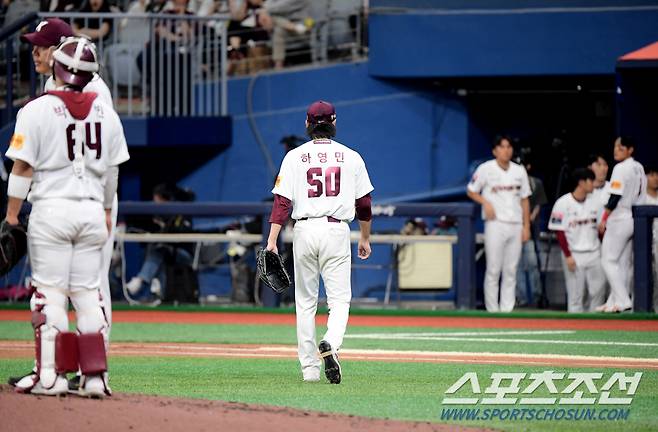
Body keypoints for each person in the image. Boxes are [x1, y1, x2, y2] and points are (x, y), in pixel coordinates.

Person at [5, 36, 130, 396]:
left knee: (50, 295)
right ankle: (94, 377)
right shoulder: (107, 113)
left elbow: (22, 167)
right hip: (92, 210)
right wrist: (106, 211)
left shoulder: (36, 110)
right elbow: (112, 172)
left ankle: (51, 376)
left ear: (58, 67)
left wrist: (11, 215)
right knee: (88, 295)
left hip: (52, 210)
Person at [265, 100, 373, 384]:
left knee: (305, 303)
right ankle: (331, 343)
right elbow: (364, 203)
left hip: (304, 230)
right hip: (336, 230)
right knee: (339, 300)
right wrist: (364, 237)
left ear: (307, 124)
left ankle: (310, 371)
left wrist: (272, 241)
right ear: (334, 122)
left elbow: (282, 203)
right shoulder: (351, 157)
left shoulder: (294, 156)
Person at [467, 136, 531, 312]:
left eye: (509, 146)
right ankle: (492, 310)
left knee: (511, 269)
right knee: (494, 269)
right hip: (495, 224)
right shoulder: (486, 169)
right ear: (495, 150)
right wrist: (485, 202)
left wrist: (526, 227)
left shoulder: (519, 171)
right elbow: (471, 190)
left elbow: (525, 199)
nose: (506, 150)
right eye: (502, 147)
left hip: (516, 224)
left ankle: (507, 309)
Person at [598, 136, 647, 313]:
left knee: (608, 260)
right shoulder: (639, 167)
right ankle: (613, 302)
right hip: (635, 217)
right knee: (622, 263)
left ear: (630, 149)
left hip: (620, 217)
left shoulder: (620, 167)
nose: (616, 150)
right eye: (615, 147)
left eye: (620, 147)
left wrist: (604, 218)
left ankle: (624, 300)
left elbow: (615, 196)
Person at [125, 183, 195, 305]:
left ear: (163, 198)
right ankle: (159, 294)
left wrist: (166, 227)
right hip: (166, 253)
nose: (154, 201)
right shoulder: (157, 214)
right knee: (157, 252)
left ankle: (141, 280)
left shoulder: (179, 211)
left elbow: (181, 236)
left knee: (159, 251)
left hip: (184, 255)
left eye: (156, 198)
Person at [548, 168, 606, 312]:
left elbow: (601, 230)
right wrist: (568, 256)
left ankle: (596, 327)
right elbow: (559, 231)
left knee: (598, 293)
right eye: (591, 181)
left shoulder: (596, 203)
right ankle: (575, 328)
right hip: (574, 253)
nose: (593, 184)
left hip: (594, 252)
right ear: (581, 182)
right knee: (575, 296)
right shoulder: (562, 203)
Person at [515, 153, 547, 306]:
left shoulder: (536, 183)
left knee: (533, 264)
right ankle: (520, 298)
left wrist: (530, 217)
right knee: (517, 266)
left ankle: (537, 297)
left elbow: (539, 203)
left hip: (531, 231)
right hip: (514, 228)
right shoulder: (512, 182)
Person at [258, 0, 309, 69]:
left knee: (273, 17)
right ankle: (278, 66)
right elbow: (268, 3)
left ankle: (278, 65)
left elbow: (284, 6)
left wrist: (264, 10)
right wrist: (265, 12)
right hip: (291, 29)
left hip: (305, 29)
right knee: (278, 29)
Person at [644, 166, 658, 312]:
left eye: (657, 175)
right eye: (652, 174)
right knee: (638, 279)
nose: (655, 178)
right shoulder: (640, 197)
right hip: (642, 244)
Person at [587, 153, 610, 222]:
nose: (603, 168)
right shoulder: (584, 190)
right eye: (599, 165)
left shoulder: (614, 189)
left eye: (605, 165)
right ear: (590, 167)